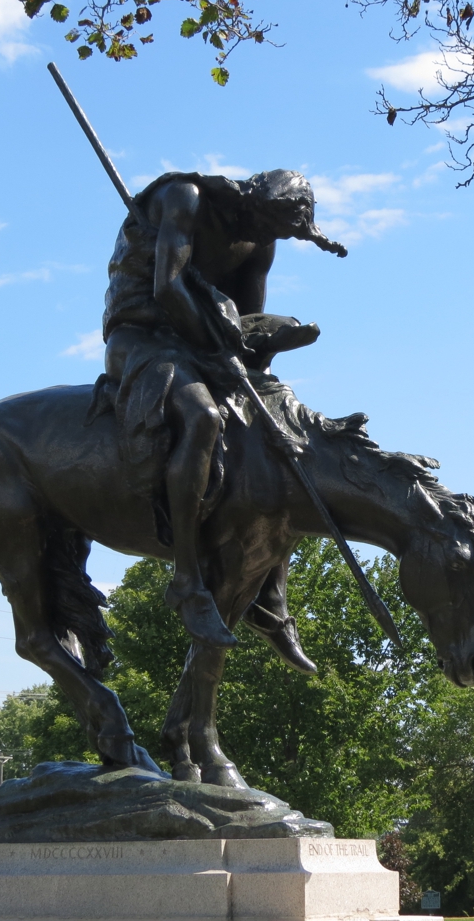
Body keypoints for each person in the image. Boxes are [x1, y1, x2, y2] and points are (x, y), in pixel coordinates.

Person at [101, 168, 345, 670]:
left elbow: (249, 322)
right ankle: (189, 583)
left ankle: (270, 599)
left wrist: (264, 355)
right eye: (268, 227)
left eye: (279, 236)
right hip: (141, 335)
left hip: (204, 345)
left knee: (276, 437)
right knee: (203, 416)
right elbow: (167, 288)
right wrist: (220, 344)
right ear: (251, 203)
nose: (268, 240)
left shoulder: (263, 238)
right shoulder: (183, 198)